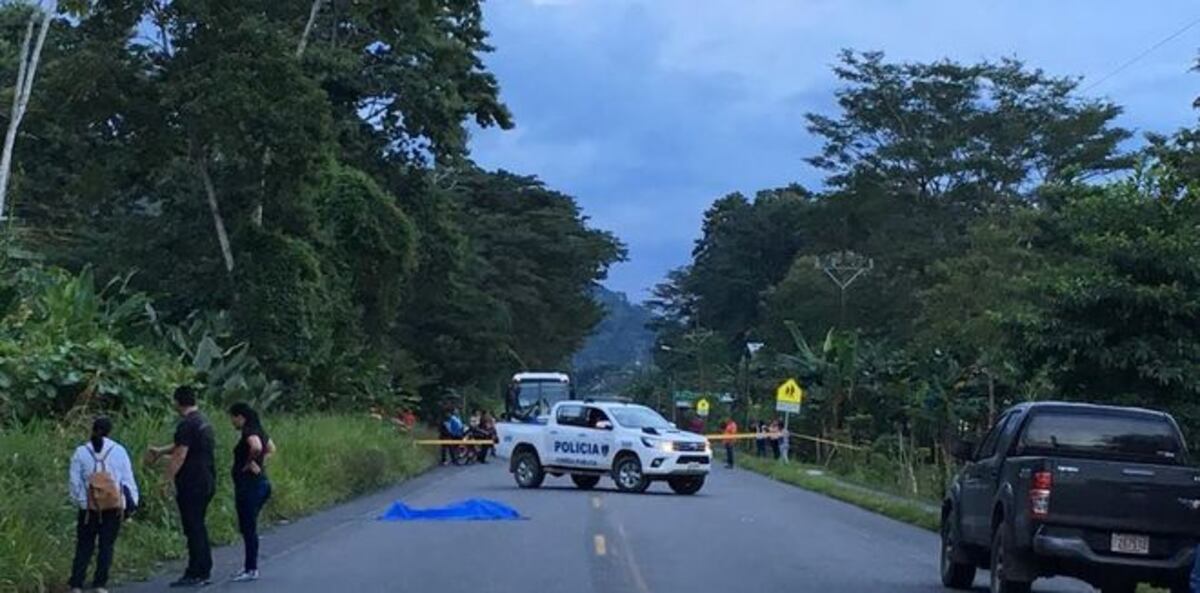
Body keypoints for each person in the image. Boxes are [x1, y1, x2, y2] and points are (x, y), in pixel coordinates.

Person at [148, 386, 217, 588]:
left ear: (177, 402)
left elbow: (180, 454)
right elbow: (181, 446)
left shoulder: (186, 425)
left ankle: (196, 571)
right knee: (198, 525)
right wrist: (160, 451)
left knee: (193, 527)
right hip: (207, 480)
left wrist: (166, 480)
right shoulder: (203, 422)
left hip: (192, 483)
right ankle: (203, 568)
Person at [68, 417, 139, 593]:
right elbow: (127, 479)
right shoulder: (119, 450)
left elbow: (74, 482)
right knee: (106, 545)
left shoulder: (80, 452)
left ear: (93, 429)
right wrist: (131, 504)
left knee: (84, 545)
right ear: (109, 431)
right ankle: (100, 584)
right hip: (113, 506)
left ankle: (76, 583)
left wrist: (82, 502)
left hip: (88, 509)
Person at [228, 403, 276, 583]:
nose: (232, 422)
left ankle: (251, 568)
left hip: (250, 487)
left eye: (233, 417)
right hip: (260, 484)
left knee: (248, 528)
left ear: (241, 417)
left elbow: (255, 447)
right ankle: (250, 565)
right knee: (249, 527)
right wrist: (261, 463)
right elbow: (271, 448)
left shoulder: (249, 431)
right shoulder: (260, 430)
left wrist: (250, 462)